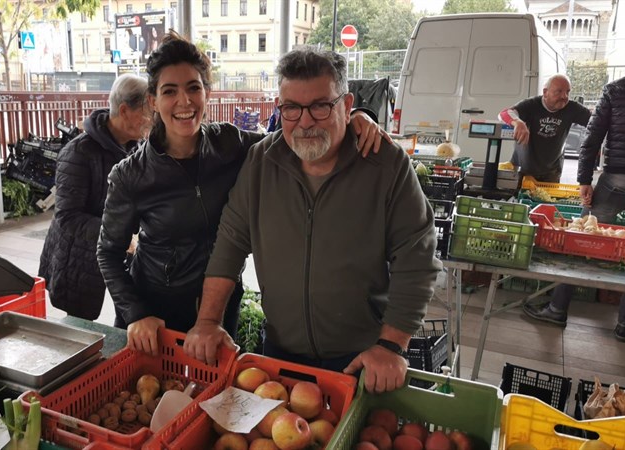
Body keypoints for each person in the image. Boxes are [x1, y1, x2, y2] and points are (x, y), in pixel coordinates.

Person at [97, 32, 389, 356]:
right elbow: (108, 253)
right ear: (153, 100)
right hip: (154, 315)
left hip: (220, 305)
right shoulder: (131, 176)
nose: (184, 101)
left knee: (212, 386)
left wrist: (356, 116)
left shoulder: (230, 144)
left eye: (194, 88)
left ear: (207, 92)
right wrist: (136, 313)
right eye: (169, 91)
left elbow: (296, 137)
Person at [182, 46, 441, 393]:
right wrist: (208, 321)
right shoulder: (261, 162)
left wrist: (391, 345)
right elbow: (229, 244)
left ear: (346, 106)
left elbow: (417, 258)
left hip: (362, 360)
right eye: (291, 108)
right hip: (280, 353)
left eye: (320, 106)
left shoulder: (385, 164)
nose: (305, 122)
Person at [524, 70, 625, 342]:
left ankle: (557, 308)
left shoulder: (616, 90)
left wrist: (585, 180)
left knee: (581, 237)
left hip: (617, 178)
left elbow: (592, 137)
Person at [38, 74, 152, 320]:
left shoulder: (137, 148)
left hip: (121, 249)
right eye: (147, 113)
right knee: (80, 325)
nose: (151, 120)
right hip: (79, 256)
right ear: (124, 110)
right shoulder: (78, 152)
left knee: (131, 315)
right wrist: (118, 234)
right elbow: (67, 217)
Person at [499, 74, 591, 182]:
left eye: (567, 92)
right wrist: (518, 122)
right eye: (559, 91)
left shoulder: (572, 108)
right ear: (545, 92)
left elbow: (595, 121)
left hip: (552, 172)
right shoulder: (531, 105)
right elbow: (504, 113)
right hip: (523, 169)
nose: (564, 96)